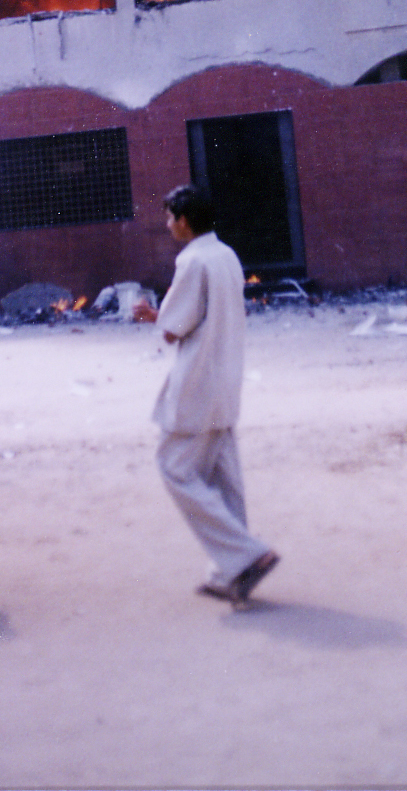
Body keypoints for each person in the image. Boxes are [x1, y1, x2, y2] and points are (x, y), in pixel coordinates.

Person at [134, 185, 279, 606]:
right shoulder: (226, 256)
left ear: (183, 221)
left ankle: (247, 556)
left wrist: (153, 317)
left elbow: (173, 327)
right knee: (224, 479)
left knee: (174, 468)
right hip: (226, 379)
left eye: (169, 218)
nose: (167, 225)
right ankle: (231, 572)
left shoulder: (192, 260)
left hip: (198, 381)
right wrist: (162, 317)